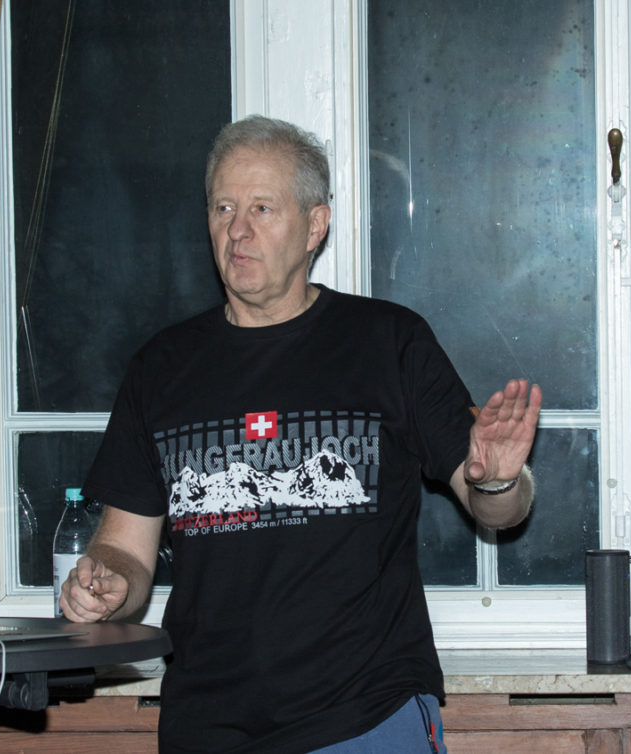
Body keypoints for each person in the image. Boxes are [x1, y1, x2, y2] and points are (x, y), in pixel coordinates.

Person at [59, 114, 540, 753]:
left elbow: (498, 508)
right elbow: (126, 551)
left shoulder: (389, 343)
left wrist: (501, 475)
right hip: (207, 726)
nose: (238, 230)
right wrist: (108, 584)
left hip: (365, 719)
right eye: (223, 207)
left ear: (316, 225)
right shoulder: (161, 368)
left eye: (263, 207)